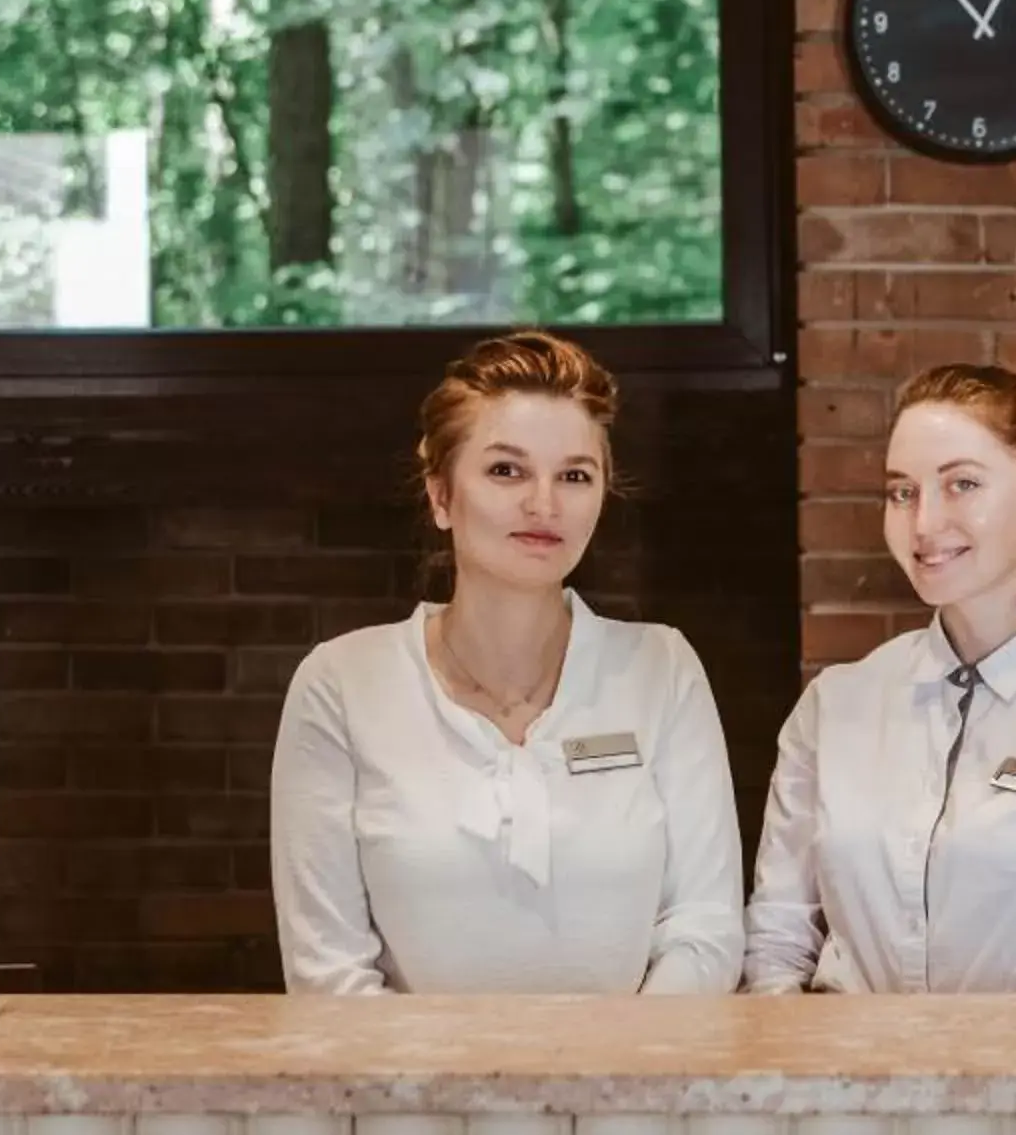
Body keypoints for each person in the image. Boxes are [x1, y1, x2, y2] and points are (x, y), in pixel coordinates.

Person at [271, 330, 742, 993]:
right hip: (403, 1095)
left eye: (574, 475)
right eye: (506, 470)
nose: (544, 504)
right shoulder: (341, 685)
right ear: (440, 496)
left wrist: (618, 1078)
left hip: (634, 1088)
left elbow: (706, 929)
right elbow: (328, 974)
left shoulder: (662, 669)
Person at [744, 363, 1016, 993]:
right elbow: (777, 946)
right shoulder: (834, 706)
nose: (923, 524)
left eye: (962, 485)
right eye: (903, 492)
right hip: (843, 1083)